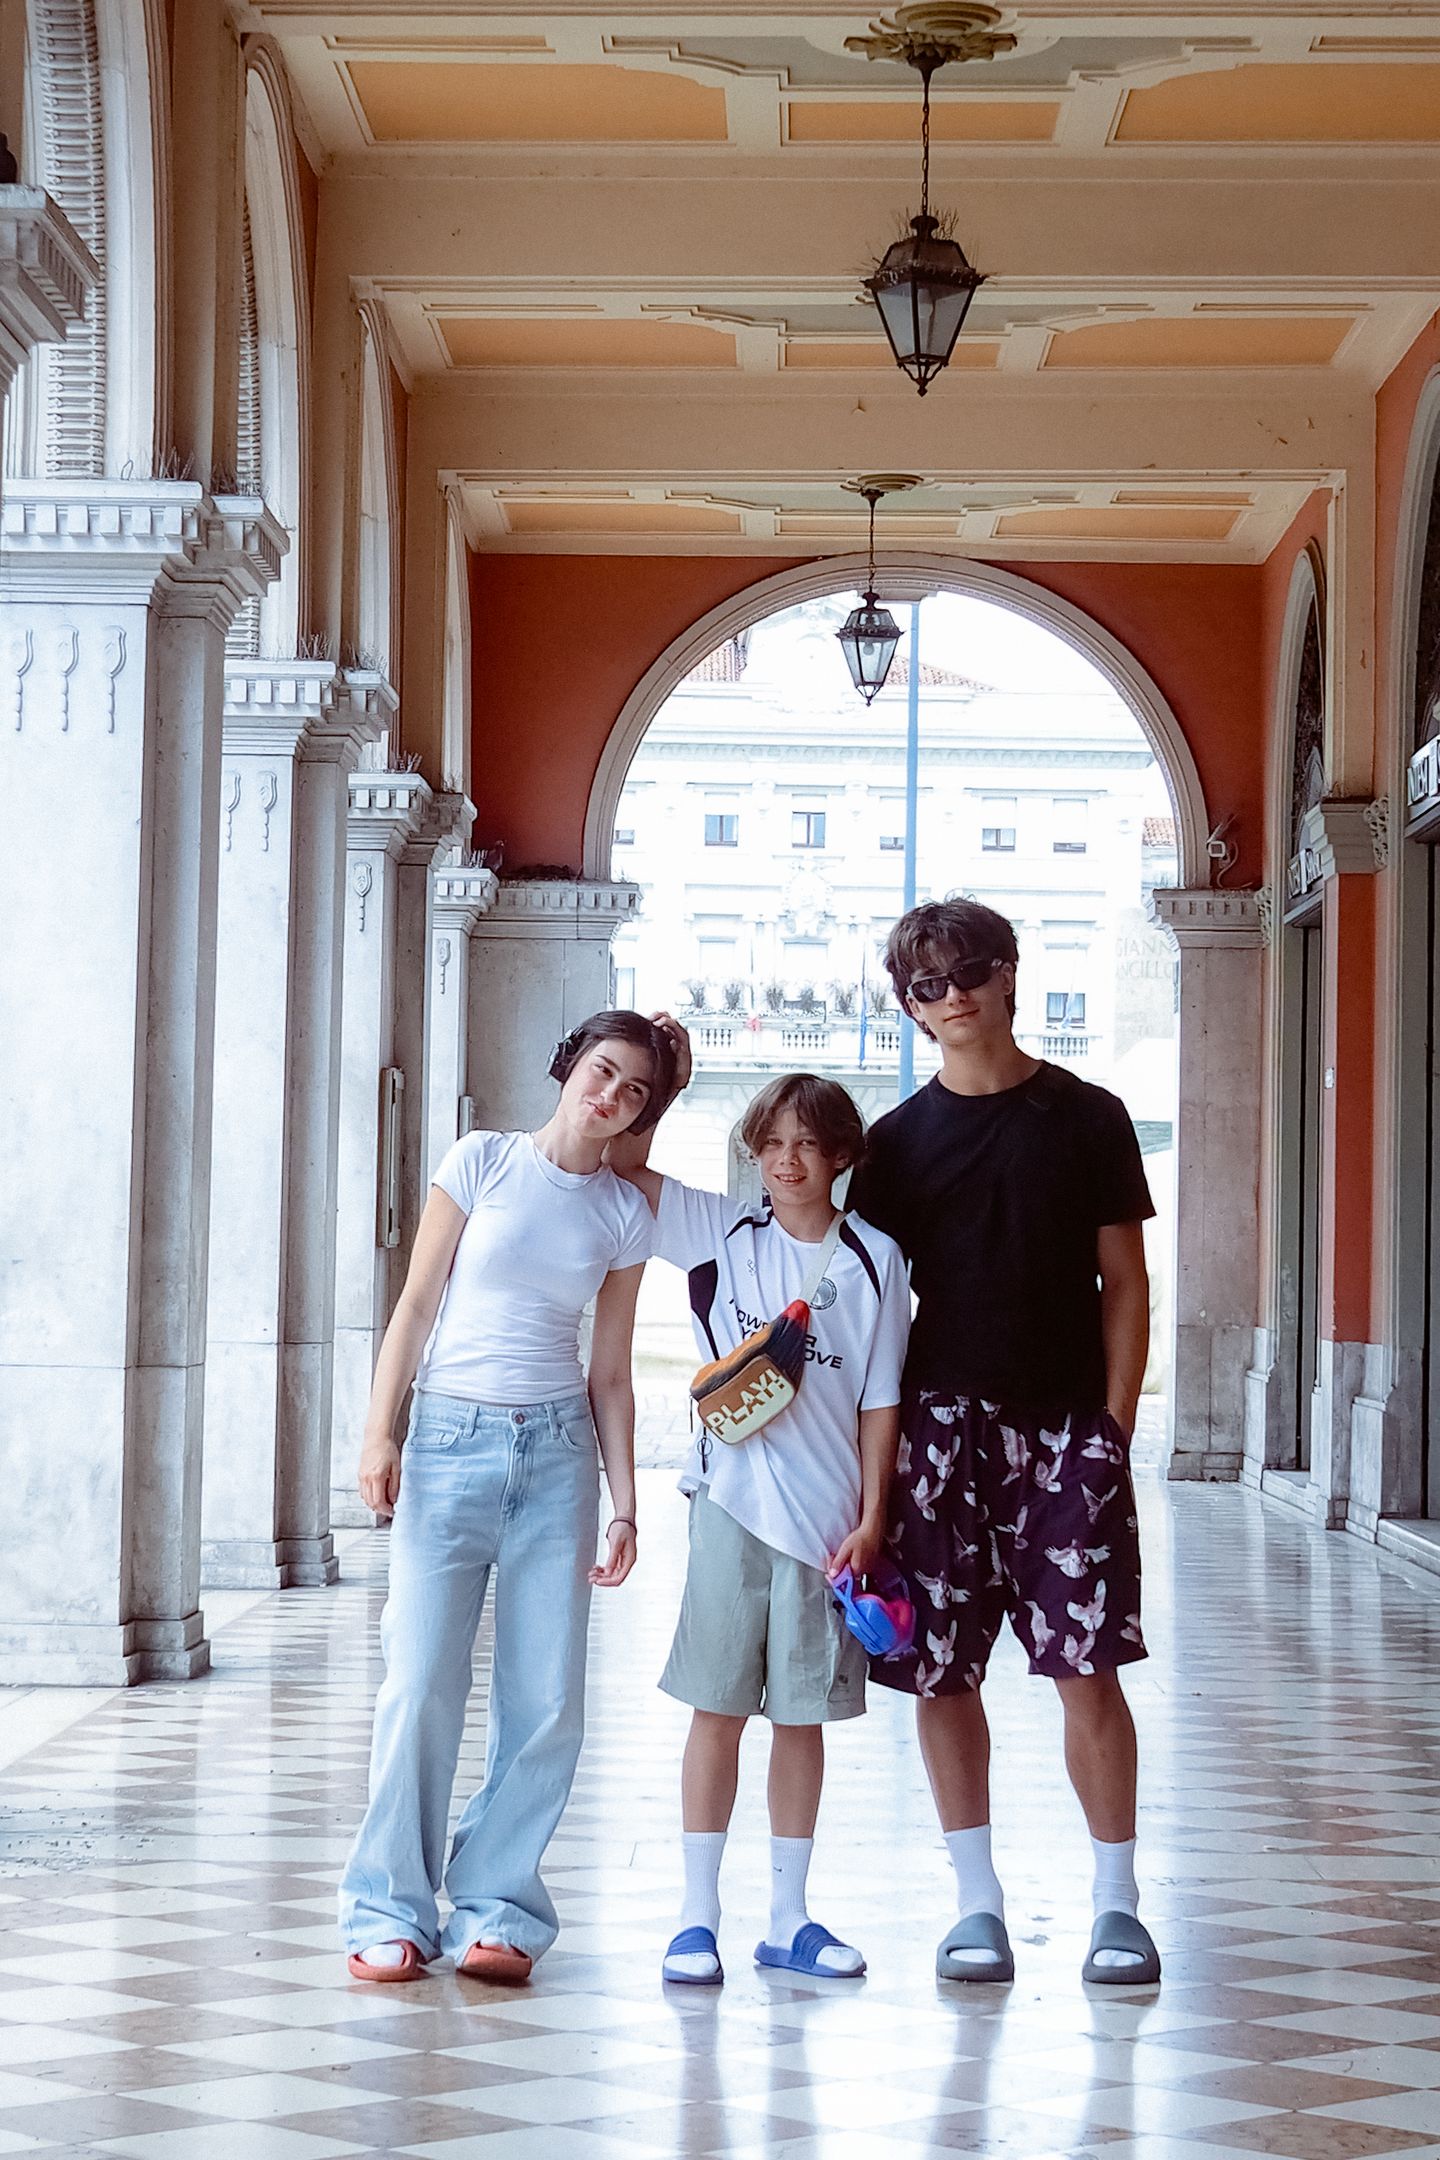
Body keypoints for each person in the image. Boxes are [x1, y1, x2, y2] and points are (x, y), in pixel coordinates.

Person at [847, 898, 1161, 1988]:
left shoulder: (1091, 1117)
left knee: (1089, 1667)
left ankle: (1117, 1906)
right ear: (910, 1007)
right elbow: (869, 1312)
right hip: (938, 1431)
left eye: (971, 970)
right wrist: (872, 1477)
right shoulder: (892, 1147)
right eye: (927, 984)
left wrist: (1113, 1429)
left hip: (1068, 1428)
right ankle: (976, 1905)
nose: (954, 995)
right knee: (941, 1672)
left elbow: (1126, 1284)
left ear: (1012, 973)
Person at [337, 1010, 676, 1985]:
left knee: (546, 1699)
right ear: (569, 1066)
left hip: (558, 1456)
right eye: (602, 1071)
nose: (610, 1096)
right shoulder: (481, 1160)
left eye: (635, 1091)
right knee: (419, 1683)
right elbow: (416, 1304)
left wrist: (625, 1504)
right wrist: (380, 1429)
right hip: (449, 1441)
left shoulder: (624, 1214)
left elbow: (610, 1371)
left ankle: (499, 1908)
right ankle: (389, 1909)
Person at [609, 1029, 910, 1986]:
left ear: (841, 1155)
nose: (788, 1162)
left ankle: (788, 1918)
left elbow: (880, 1401)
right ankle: (696, 1917)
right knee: (717, 1709)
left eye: (808, 1145)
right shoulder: (721, 1234)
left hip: (827, 1530)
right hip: (729, 1509)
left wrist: (873, 1518)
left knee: (800, 1721)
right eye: (772, 1144)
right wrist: (665, 1085)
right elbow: (623, 1167)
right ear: (753, 1151)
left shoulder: (876, 1261)